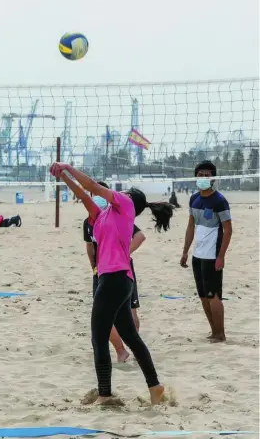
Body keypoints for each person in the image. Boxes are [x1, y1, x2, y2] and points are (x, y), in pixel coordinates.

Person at [51, 162, 173, 406]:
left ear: (129, 200)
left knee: (98, 337)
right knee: (131, 336)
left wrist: (68, 167)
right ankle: (155, 387)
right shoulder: (102, 215)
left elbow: (93, 186)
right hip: (115, 279)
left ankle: (105, 394)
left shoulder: (126, 206)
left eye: (125, 192)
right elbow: (84, 195)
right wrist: (63, 177)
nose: (120, 193)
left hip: (115, 279)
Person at [83, 181, 146, 363]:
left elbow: (140, 236)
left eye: (100, 195)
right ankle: (121, 350)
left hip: (121, 269)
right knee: (104, 316)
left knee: (130, 312)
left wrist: (123, 252)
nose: (97, 198)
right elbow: (89, 246)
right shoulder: (91, 219)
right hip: (102, 271)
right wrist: (94, 266)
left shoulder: (118, 215)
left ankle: (132, 348)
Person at [180, 160, 232, 343]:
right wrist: (185, 251)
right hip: (197, 255)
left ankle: (221, 334)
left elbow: (228, 229)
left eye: (207, 175)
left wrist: (221, 256)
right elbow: (190, 226)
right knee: (203, 296)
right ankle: (213, 331)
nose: (203, 178)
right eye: (200, 175)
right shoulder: (194, 199)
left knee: (214, 296)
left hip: (212, 256)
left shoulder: (219, 200)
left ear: (213, 178)